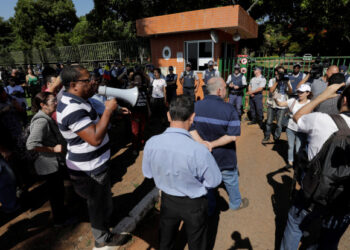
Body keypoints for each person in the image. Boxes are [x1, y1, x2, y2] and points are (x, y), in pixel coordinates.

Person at [56, 65, 125, 248]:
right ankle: (102, 239)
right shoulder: (72, 108)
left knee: (102, 199)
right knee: (97, 205)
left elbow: (93, 118)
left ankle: (105, 223)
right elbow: (94, 138)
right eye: (87, 80)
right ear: (73, 85)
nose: (92, 82)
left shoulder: (81, 99)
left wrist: (113, 112)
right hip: (89, 168)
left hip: (96, 163)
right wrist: (109, 110)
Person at [142, 95, 222, 250]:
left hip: (167, 201)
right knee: (197, 242)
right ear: (192, 118)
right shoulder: (199, 150)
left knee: (166, 240)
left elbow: (148, 173)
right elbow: (214, 181)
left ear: (168, 115)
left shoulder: (152, 143)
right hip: (194, 203)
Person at [280, 83, 350, 250]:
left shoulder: (322, 119)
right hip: (345, 198)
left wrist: (322, 95)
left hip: (314, 193)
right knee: (330, 239)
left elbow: (298, 117)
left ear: (344, 98)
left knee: (294, 224)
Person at [190, 77, 248, 215]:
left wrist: (204, 144)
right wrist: (212, 144)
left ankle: (210, 208)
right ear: (220, 91)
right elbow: (232, 136)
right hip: (225, 158)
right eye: (225, 89)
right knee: (231, 180)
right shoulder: (230, 109)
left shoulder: (195, 107)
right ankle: (235, 203)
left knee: (207, 182)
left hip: (203, 157)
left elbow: (190, 129)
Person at [26, 92, 68, 226]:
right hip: (49, 165)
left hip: (52, 163)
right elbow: (31, 144)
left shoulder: (46, 117)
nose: (56, 103)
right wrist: (53, 149)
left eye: (56, 100)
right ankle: (59, 220)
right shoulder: (42, 121)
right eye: (53, 101)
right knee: (56, 194)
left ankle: (60, 217)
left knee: (57, 192)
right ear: (43, 105)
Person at [274, 84, 311, 166]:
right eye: (298, 92)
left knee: (298, 148)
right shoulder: (293, 101)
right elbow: (280, 104)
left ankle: (298, 164)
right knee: (291, 146)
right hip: (290, 128)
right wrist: (275, 99)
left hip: (302, 130)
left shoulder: (310, 104)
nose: (299, 94)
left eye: (302, 92)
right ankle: (290, 162)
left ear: (308, 93)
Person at [263, 66, 293, 143]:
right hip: (272, 103)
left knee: (279, 124)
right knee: (269, 122)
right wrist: (277, 81)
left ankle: (276, 137)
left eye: (283, 72)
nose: (282, 73)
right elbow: (271, 91)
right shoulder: (272, 80)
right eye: (280, 72)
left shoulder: (286, 80)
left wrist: (288, 83)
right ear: (276, 72)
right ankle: (267, 136)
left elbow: (290, 92)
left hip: (282, 105)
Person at [129, 72, 150, 154]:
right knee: (135, 131)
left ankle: (141, 144)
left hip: (143, 110)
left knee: (142, 129)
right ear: (134, 80)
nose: (138, 80)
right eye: (136, 79)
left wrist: (149, 110)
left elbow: (146, 100)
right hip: (135, 112)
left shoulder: (144, 87)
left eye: (139, 79)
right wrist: (134, 85)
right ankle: (134, 147)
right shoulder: (131, 88)